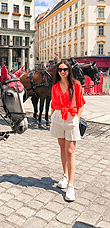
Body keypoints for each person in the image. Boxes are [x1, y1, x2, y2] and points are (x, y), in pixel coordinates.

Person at [50, 61, 85, 201]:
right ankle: (65, 175)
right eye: (59, 69)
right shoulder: (55, 87)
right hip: (58, 117)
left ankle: (71, 185)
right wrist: (51, 117)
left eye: (64, 69)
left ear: (69, 71)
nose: (62, 72)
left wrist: (76, 118)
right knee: (62, 147)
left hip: (71, 117)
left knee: (70, 150)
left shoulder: (75, 85)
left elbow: (81, 103)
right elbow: (53, 104)